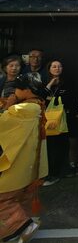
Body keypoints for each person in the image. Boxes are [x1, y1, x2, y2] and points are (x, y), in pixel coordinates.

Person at [0, 74, 50, 242]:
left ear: (27, 90)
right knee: (22, 198)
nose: (14, 91)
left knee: (4, 200)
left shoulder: (22, 110)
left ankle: (21, 225)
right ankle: (27, 226)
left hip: (16, 166)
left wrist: (8, 105)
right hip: (30, 166)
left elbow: (2, 123)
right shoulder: (37, 106)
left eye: (17, 88)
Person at [43, 60, 70, 186]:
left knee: (61, 145)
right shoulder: (44, 83)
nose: (57, 68)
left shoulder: (67, 83)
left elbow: (71, 99)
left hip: (63, 119)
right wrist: (50, 84)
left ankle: (60, 172)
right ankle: (50, 173)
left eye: (59, 66)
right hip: (47, 120)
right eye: (54, 66)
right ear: (49, 69)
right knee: (49, 147)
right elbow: (41, 97)